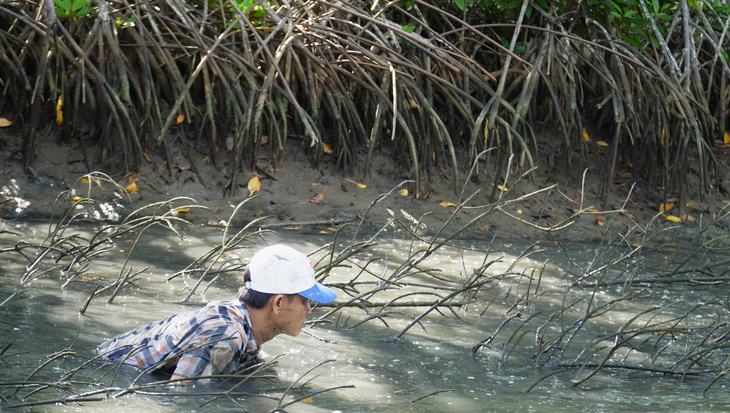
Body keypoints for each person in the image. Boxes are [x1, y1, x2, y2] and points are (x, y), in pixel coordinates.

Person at [95, 244, 336, 381]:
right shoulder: (225, 336)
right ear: (278, 303)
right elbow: (183, 397)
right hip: (105, 373)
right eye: (306, 300)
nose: (309, 310)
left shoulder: (243, 325)